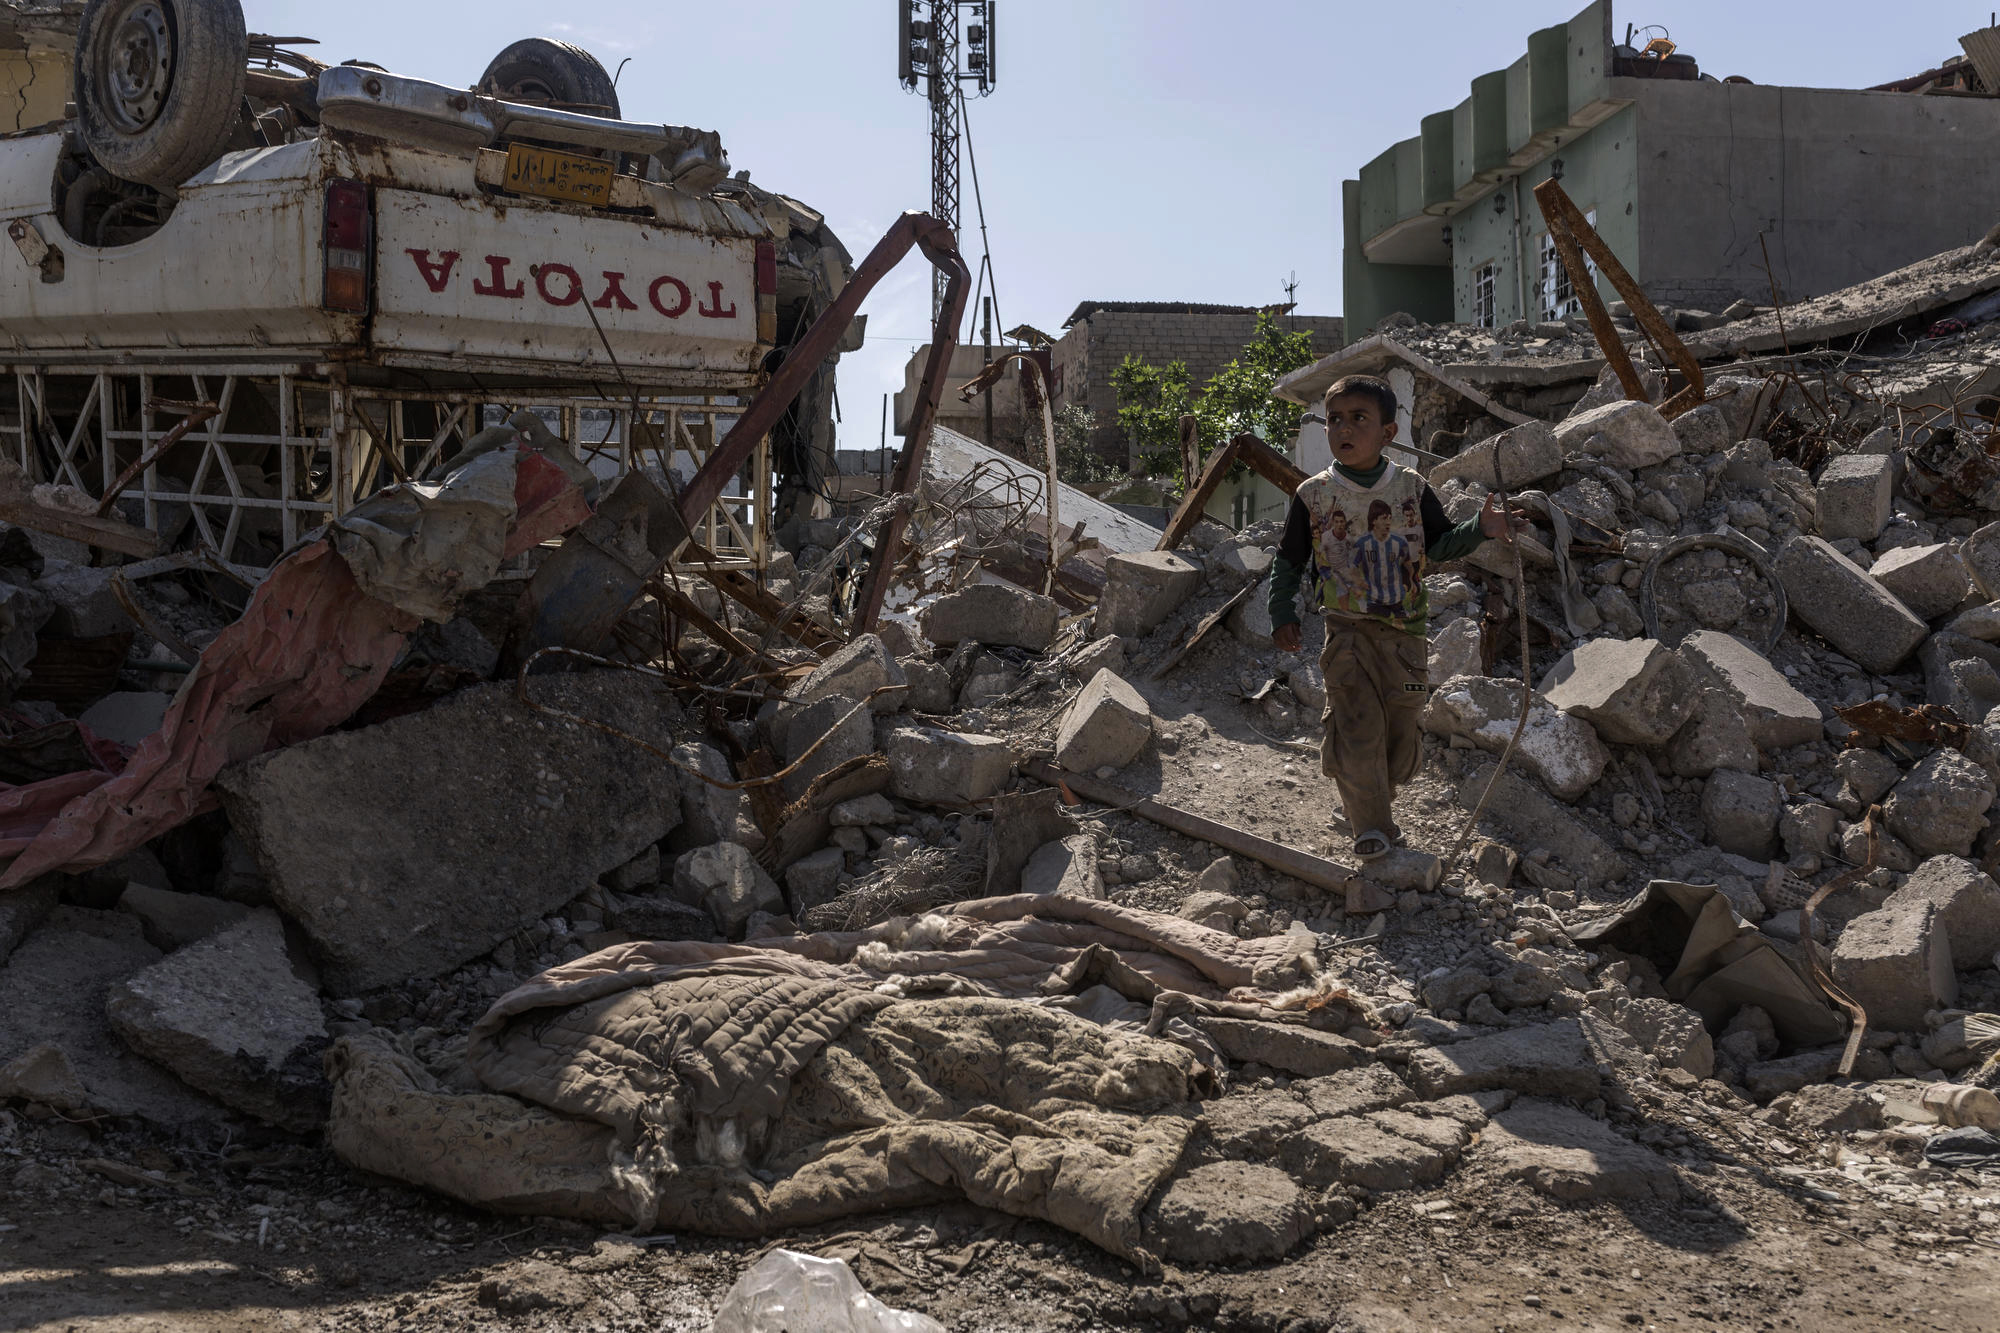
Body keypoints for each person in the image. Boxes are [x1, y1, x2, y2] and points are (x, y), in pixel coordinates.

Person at [1268, 374, 1526, 862]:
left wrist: (1482, 529)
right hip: (1346, 631)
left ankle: (1363, 787)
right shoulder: (1313, 496)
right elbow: (1290, 559)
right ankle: (1371, 825)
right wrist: (1282, 611)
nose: (1343, 427)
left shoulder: (1411, 488)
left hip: (1406, 635)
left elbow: (1440, 545)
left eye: (1358, 418)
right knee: (1357, 723)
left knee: (1400, 740)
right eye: (1334, 419)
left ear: (1388, 433)